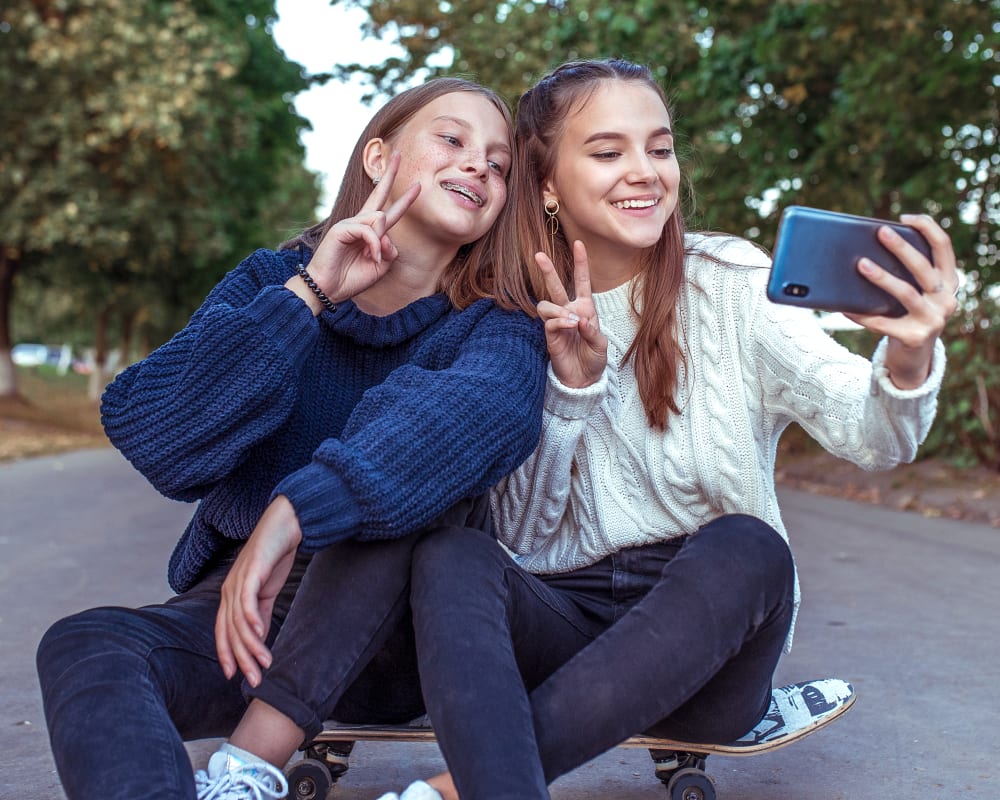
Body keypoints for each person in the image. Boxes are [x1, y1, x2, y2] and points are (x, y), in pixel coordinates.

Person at [389, 58, 957, 800]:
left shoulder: (731, 284)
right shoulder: (506, 314)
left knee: (750, 546)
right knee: (453, 555)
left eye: (659, 148)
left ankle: (456, 789)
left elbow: (875, 438)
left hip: (711, 645)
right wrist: (572, 388)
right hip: (562, 626)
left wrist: (909, 353)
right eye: (607, 152)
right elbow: (524, 541)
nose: (645, 172)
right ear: (549, 184)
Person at [35, 77, 548, 800]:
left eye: (498, 164)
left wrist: (294, 509)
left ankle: (253, 758)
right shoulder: (274, 280)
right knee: (88, 645)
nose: (479, 167)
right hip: (245, 620)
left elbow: (477, 414)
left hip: (387, 635)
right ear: (378, 157)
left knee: (411, 488)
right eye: (452, 139)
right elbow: (156, 431)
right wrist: (308, 297)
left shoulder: (497, 323)